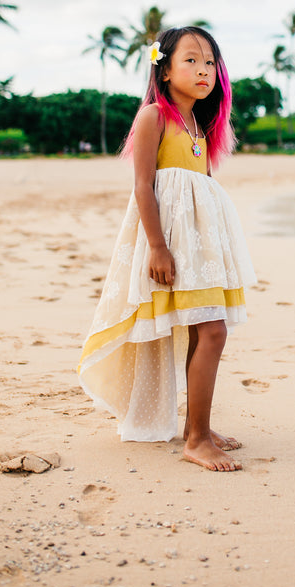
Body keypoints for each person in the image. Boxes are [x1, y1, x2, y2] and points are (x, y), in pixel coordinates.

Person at [78, 26, 255, 471]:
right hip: (170, 242)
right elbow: (144, 186)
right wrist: (157, 247)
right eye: (191, 60)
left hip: (202, 242)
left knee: (204, 330)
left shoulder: (202, 123)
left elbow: (202, 188)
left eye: (211, 61)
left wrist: (219, 246)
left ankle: (200, 425)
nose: (204, 70)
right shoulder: (154, 116)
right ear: (164, 68)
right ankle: (196, 440)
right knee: (213, 332)